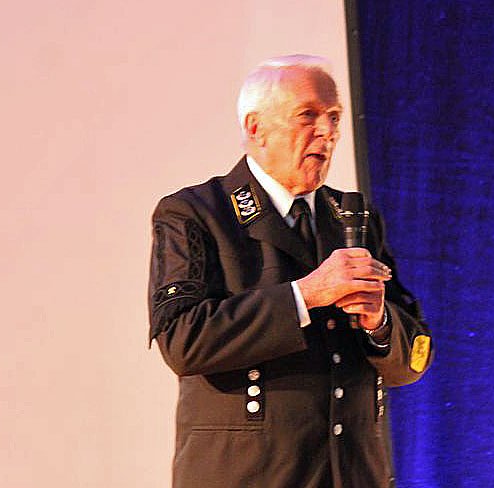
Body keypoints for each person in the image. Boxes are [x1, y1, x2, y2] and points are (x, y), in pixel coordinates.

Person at [148, 54, 433, 488]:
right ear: (255, 128)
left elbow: (413, 359)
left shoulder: (353, 218)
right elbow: (182, 340)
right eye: (308, 115)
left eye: (334, 117)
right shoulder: (195, 213)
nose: (327, 131)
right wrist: (306, 295)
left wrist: (378, 323)